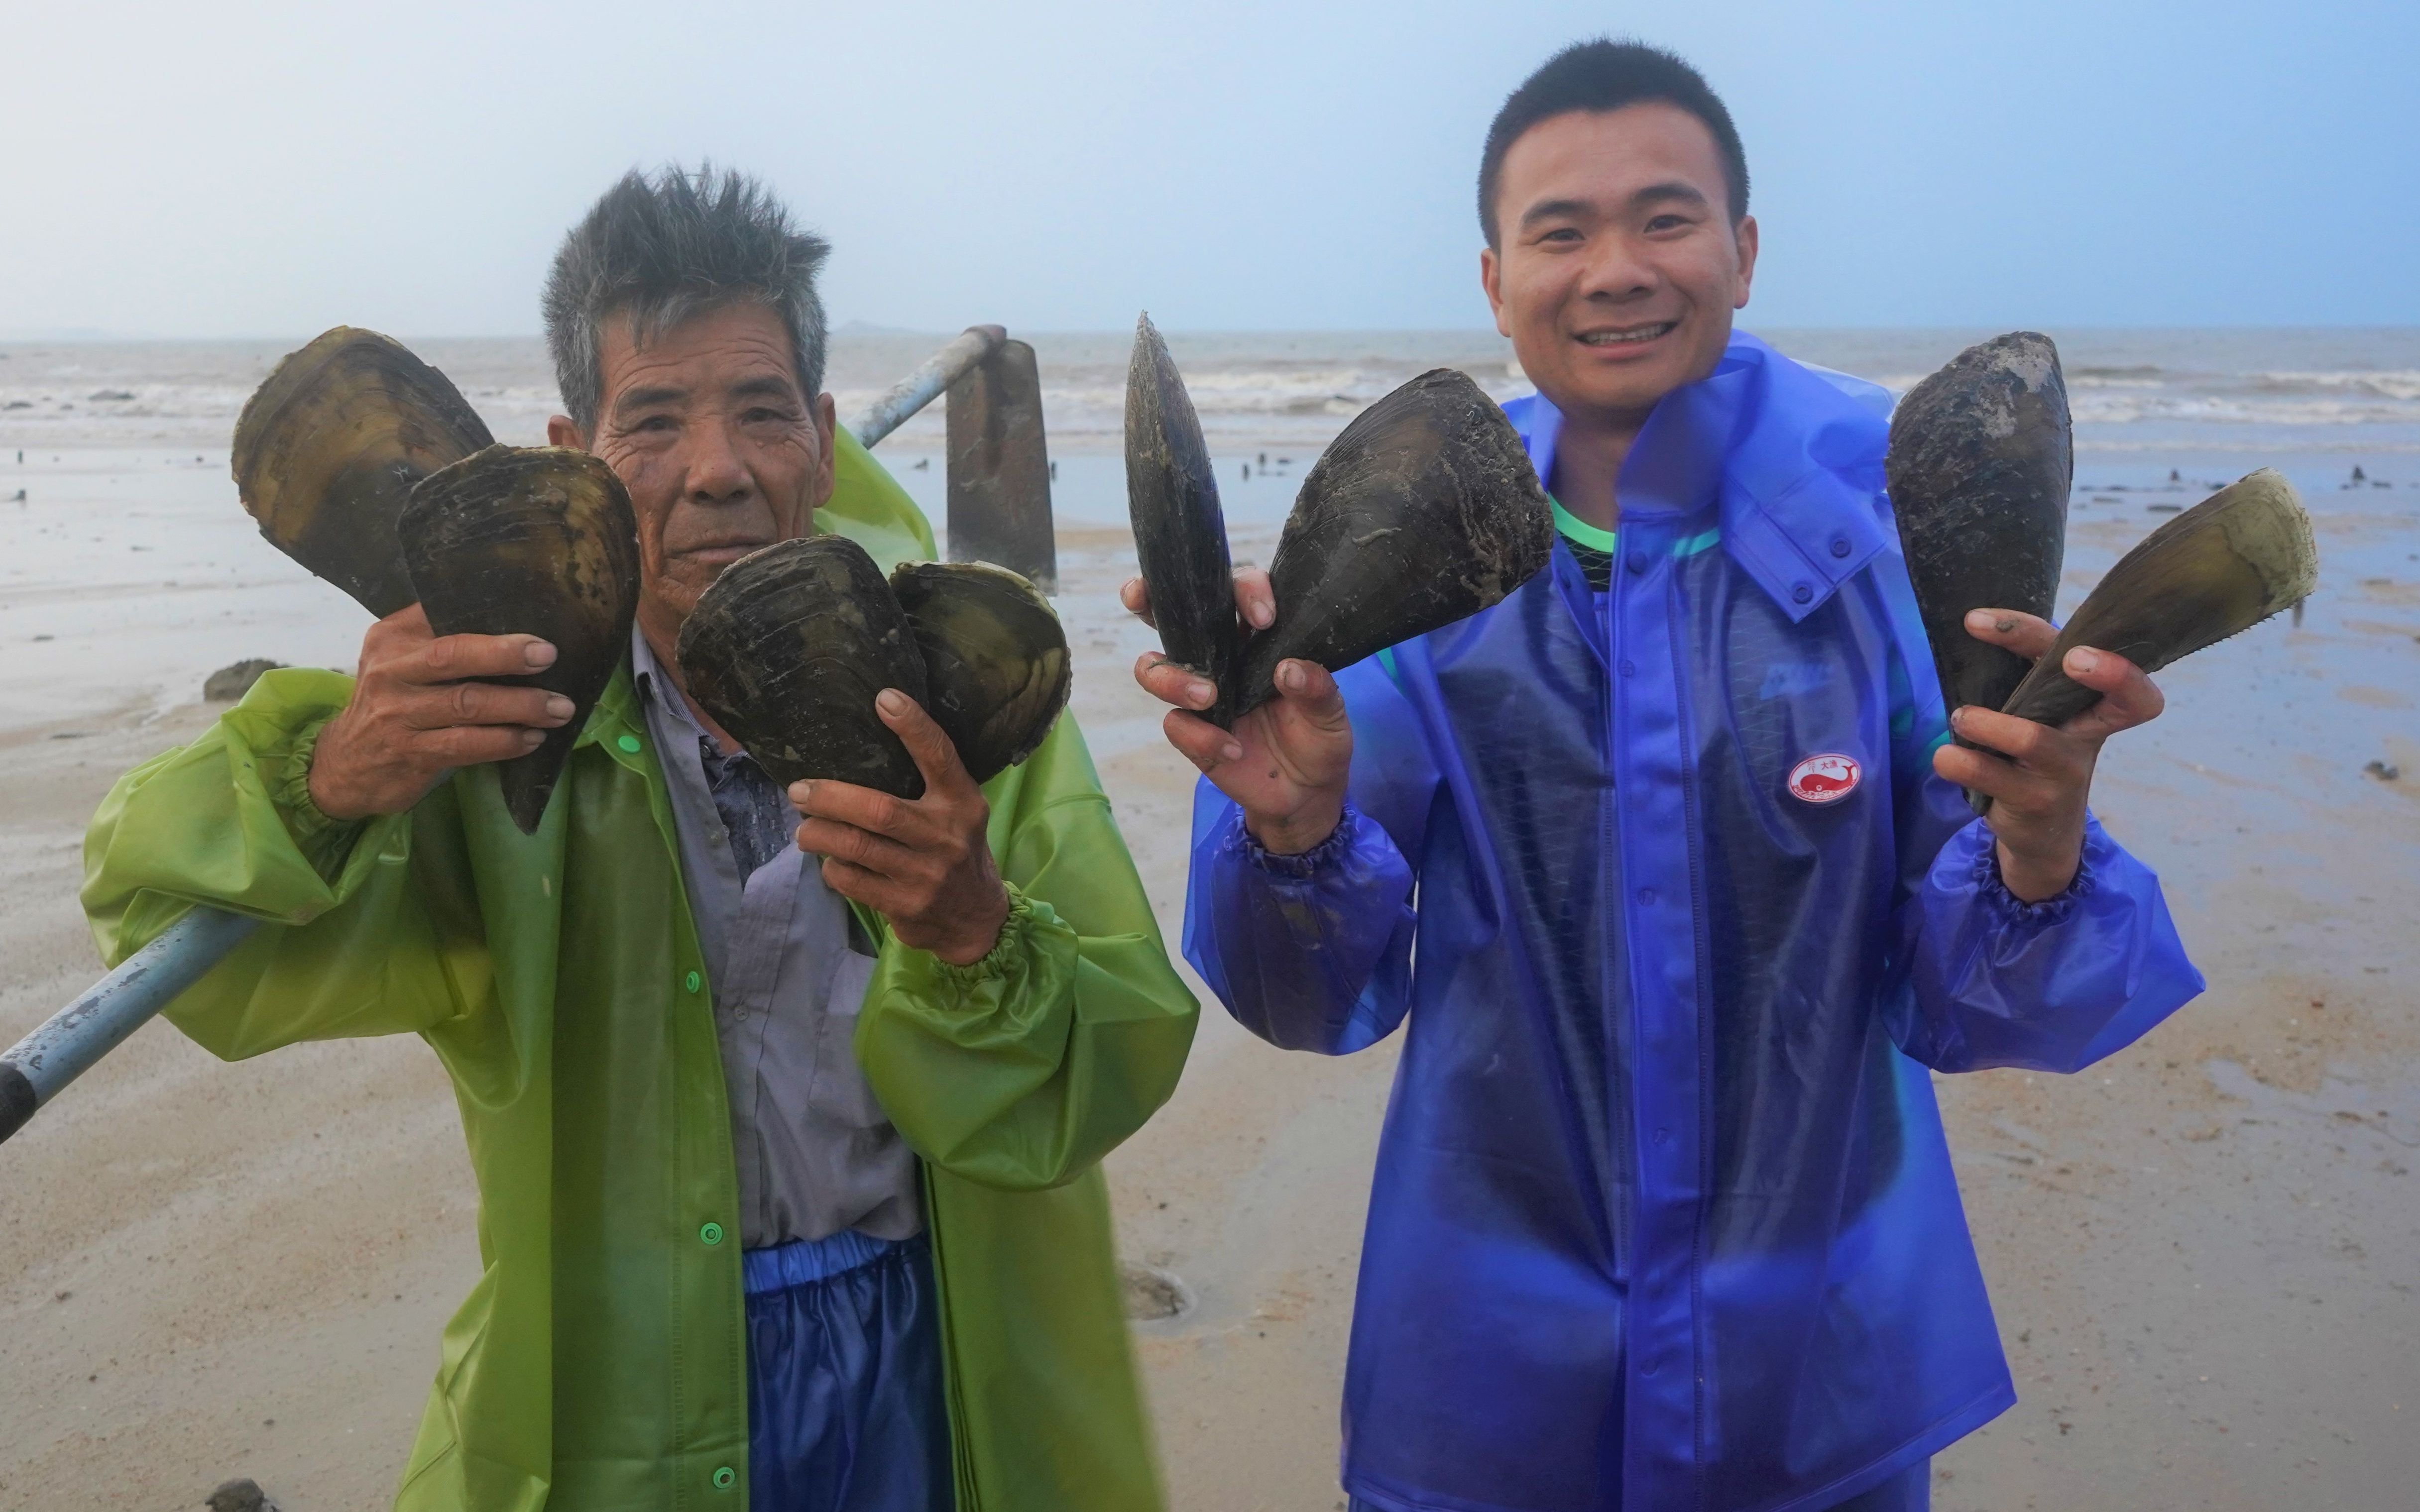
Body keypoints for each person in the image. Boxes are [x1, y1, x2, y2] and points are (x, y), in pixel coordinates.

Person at [1131, 40, 2202, 1512]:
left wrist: (2042, 848)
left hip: (1817, 1366)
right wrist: (1297, 836)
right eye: (1561, 233)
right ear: (1496, 281)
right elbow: (1313, 998)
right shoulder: (1416, 556)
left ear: (1745, 251)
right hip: (1491, 1364)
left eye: (1667, 219)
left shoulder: (1880, 518)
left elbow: (1976, 1005)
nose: (1616, 270)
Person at [86, 166, 1196, 1512]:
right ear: (576, 455)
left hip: (940, 1365)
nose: (720, 471)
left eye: (763, 413)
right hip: (611, 1406)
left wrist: (974, 929)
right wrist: (327, 777)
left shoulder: (960, 710)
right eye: (654, 419)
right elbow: (167, 935)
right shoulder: (491, 727)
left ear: (826, 433)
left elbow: (1119, 1052)